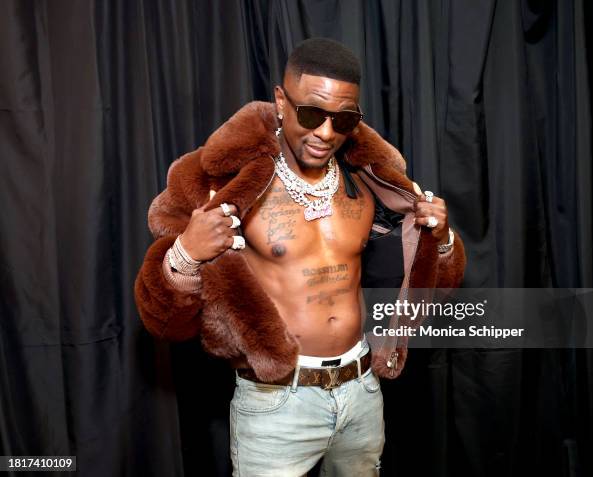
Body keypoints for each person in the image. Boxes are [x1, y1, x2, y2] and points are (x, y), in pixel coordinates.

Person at [134, 38, 466, 476]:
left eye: (343, 119)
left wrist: (441, 238)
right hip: (277, 402)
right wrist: (187, 254)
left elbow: (431, 281)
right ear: (280, 100)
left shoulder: (370, 178)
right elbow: (159, 317)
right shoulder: (224, 180)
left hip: (361, 391)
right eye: (311, 114)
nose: (326, 133)